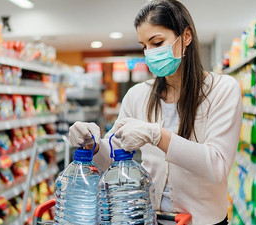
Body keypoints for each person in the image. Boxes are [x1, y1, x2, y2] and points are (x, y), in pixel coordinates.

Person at [69, 0, 242, 224]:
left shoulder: (222, 90)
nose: (150, 53)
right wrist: (92, 145)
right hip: (149, 218)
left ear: (186, 36)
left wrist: (158, 135)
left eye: (157, 42)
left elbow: (216, 166)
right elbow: (112, 159)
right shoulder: (137, 95)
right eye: (144, 46)